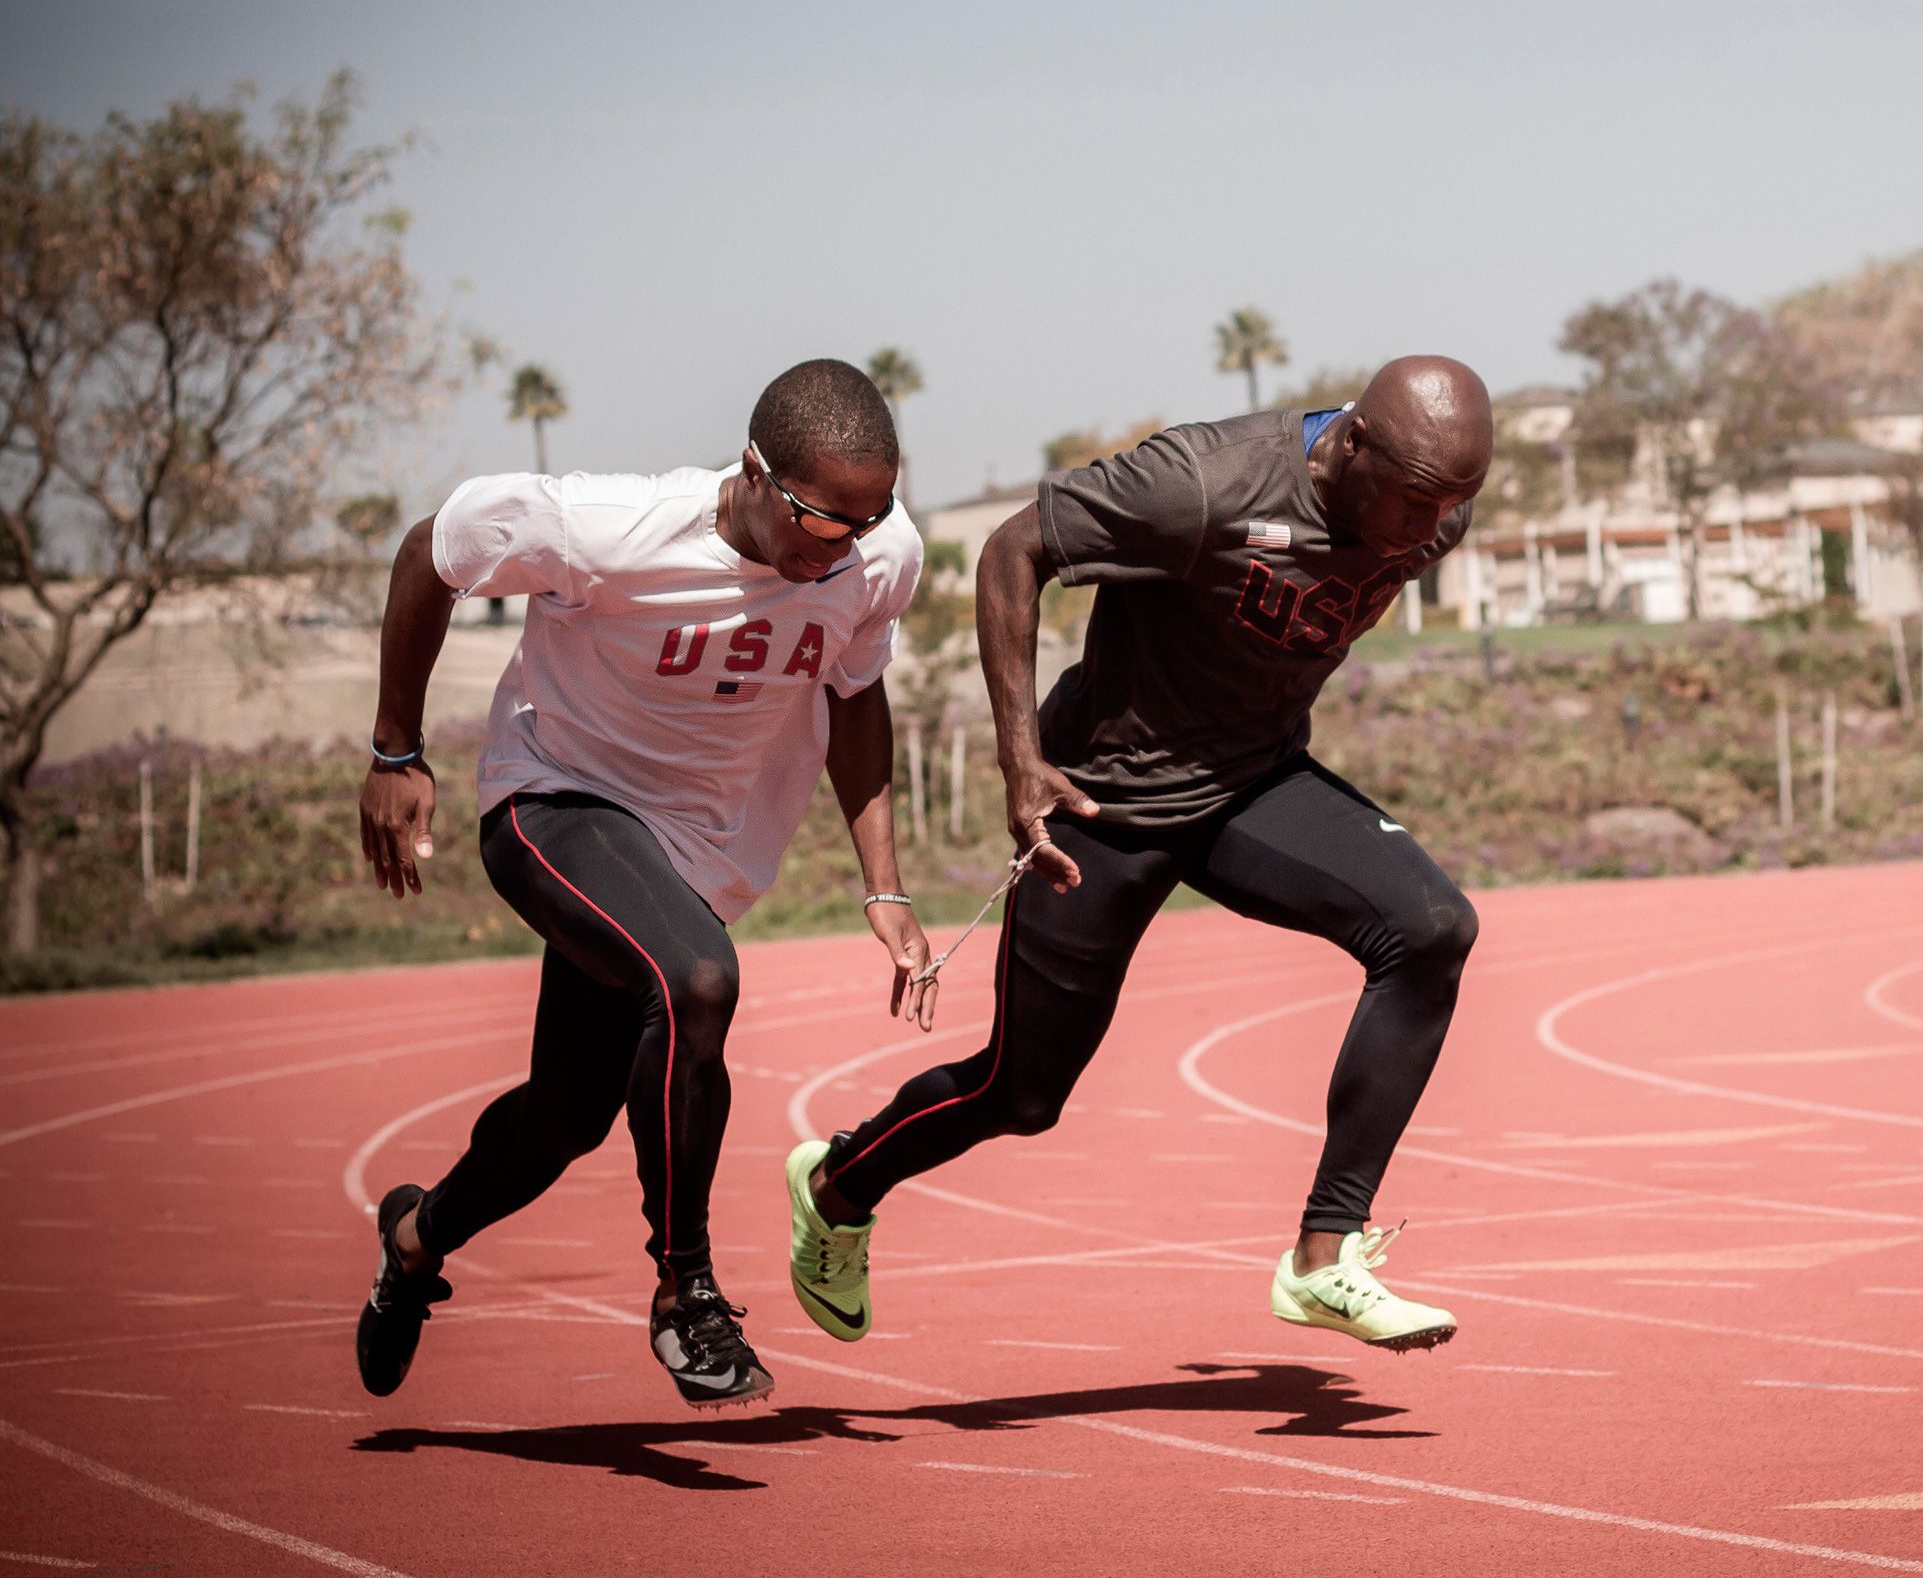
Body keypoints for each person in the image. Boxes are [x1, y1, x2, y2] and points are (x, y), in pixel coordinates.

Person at [785, 356, 1491, 1353]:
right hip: (1101, 804)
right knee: (1021, 1094)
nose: (1431, 531)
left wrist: (1426, 510)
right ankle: (838, 1183)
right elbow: (1011, 549)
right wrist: (1021, 757)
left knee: (1431, 929)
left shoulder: (1433, 508)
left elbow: (1412, 522)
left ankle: (1324, 1258)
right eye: (1416, 501)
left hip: (1253, 785)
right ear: (1354, 445)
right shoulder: (1204, 482)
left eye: (1455, 504)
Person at [352, 358, 931, 1411]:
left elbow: (856, 694)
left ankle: (414, 1233)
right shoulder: (606, 529)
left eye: (871, 514)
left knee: (566, 1114)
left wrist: (883, 885)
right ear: (755, 473)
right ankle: (687, 1291)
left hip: (685, 850)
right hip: (552, 800)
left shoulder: (878, 555)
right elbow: (428, 550)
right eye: (820, 518)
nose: (843, 544)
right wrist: (396, 752)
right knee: (697, 980)